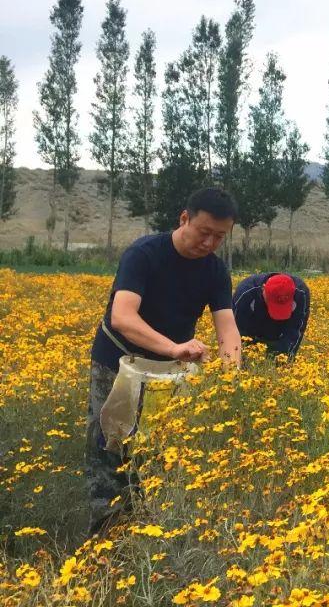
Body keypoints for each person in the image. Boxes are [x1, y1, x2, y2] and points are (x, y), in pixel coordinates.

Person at [86, 187, 242, 535]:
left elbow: (228, 330)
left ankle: (147, 536)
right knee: (109, 448)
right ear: (184, 219)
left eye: (219, 237)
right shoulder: (144, 254)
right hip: (118, 363)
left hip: (168, 373)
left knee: (156, 452)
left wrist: (232, 378)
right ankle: (105, 542)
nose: (209, 243)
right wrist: (173, 348)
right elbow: (122, 317)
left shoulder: (215, 271)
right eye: (204, 232)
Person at [232, 272, 310, 359]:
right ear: (263, 288)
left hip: (278, 332)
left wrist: (284, 360)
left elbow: (294, 331)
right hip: (251, 329)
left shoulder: (301, 293)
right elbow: (235, 330)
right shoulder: (246, 292)